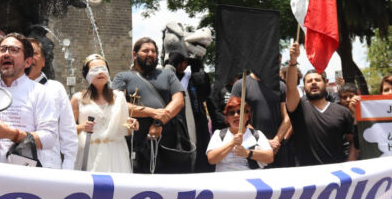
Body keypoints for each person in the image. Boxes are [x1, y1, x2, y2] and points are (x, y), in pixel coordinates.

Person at [0, 33, 59, 166]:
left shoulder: (41, 92)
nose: (6, 54)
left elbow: (49, 138)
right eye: (2, 49)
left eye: (14, 50)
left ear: (27, 62)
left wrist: (11, 134)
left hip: (23, 176)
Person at [113, 37, 189, 173]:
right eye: (145, 51)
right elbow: (118, 104)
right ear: (135, 54)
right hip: (135, 143)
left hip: (168, 144)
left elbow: (179, 101)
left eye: (153, 51)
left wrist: (158, 123)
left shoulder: (168, 75)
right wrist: (152, 112)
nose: (150, 54)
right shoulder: (122, 77)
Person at [284, 43, 357, 166]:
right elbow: (291, 88)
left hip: (338, 177)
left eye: (317, 80)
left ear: (326, 83)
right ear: (303, 86)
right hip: (307, 177)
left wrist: (349, 166)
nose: (313, 83)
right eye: (309, 81)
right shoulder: (298, 108)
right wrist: (293, 60)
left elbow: (354, 142)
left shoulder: (342, 111)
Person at [71, 55, 137, 172]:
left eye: (103, 69)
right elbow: (66, 129)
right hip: (89, 152)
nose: (100, 73)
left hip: (116, 153)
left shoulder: (118, 97)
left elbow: (125, 129)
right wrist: (82, 127)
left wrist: (132, 125)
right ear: (86, 74)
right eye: (95, 70)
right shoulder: (77, 98)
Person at [28, 38, 79, 169]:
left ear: (44, 61)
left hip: (49, 166)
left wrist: (68, 167)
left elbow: (68, 133)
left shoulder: (56, 89)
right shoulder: (9, 89)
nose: (30, 57)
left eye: (34, 53)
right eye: (25, 53)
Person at [230, 72, 291, 168]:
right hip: (251, 150)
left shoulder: (280, 85)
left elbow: (287, 117)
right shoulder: (240, 85)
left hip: (278, 148)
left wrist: (276, 140)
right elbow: (237, 118)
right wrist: (265, 142)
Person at [206, 96, 274, 172]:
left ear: (247, 116)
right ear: (227, 118)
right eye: (231, 113)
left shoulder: (257, 135)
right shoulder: (218, 134)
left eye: (239, 112)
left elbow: (270, 157)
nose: (236, 115)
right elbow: (211, 159)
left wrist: (247, 153)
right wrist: (232, 143)